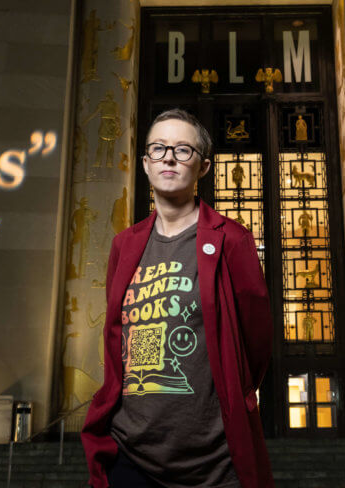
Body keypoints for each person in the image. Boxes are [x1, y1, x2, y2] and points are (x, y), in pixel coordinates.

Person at [82, 108, 274, 488]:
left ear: (202, 167)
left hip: (213, 462)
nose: (168, 157)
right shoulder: (125, 244)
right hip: (130, 455)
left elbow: (256, 340)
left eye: (183, 149)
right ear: (145, 164)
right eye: (158, 148)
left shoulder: (232, 240)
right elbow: (117, 336)